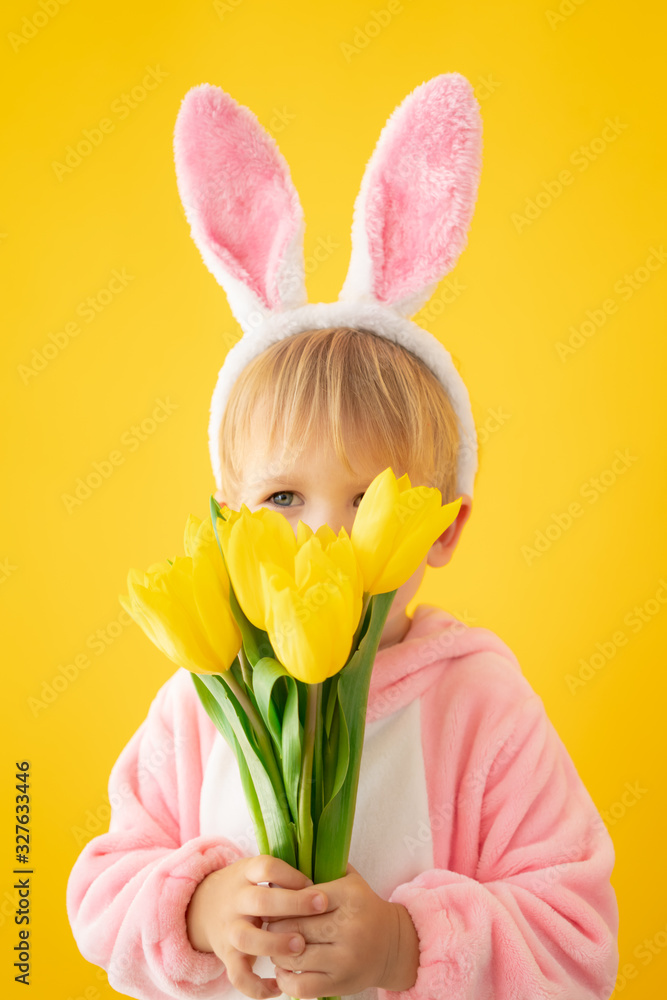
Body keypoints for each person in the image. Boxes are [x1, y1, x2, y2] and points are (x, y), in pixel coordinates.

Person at [67, 75, 619, 1000]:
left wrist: (409, 947)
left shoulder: (482, 706)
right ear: (227, 521)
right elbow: (98, 893)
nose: (322, 534)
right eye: (283, 496)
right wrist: (197, 910)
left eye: (367, 503)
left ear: (442, 529)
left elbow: (578, 943)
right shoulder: (202, 698)